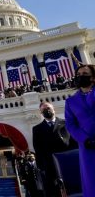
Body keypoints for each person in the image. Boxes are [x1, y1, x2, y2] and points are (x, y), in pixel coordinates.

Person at [32, 101, 77, 197]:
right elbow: (38, 149)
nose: (46, 110)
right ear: (41, 113)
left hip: (68, 162)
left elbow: (74, 143)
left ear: (53, 109)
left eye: (48, 108)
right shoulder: (37, 129)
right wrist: (42, 167)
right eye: (43, 109)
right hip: (50, 167)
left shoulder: (66, 123)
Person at [65, 64, 95, 197]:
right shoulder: (71, 101)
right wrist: (84, 139)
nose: (80, 77)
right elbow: (70, 125)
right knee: (92, 180)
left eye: (84, 74)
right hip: (88, 146)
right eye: (78, 75)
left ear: (93, 78)